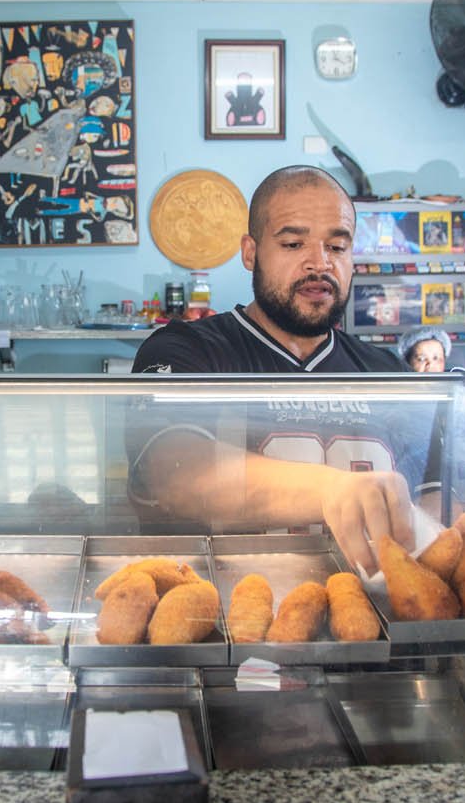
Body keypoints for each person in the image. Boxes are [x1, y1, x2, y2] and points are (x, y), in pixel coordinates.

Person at [129, 165, 416, 573]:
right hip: (217, 618)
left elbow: (436, 501)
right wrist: (333, 488)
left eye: (337, 247)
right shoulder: (186, 350)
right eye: (294, 244)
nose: (320, 264)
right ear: (251, 252)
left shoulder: (390, 373)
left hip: (369, 618)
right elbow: (176, 472)